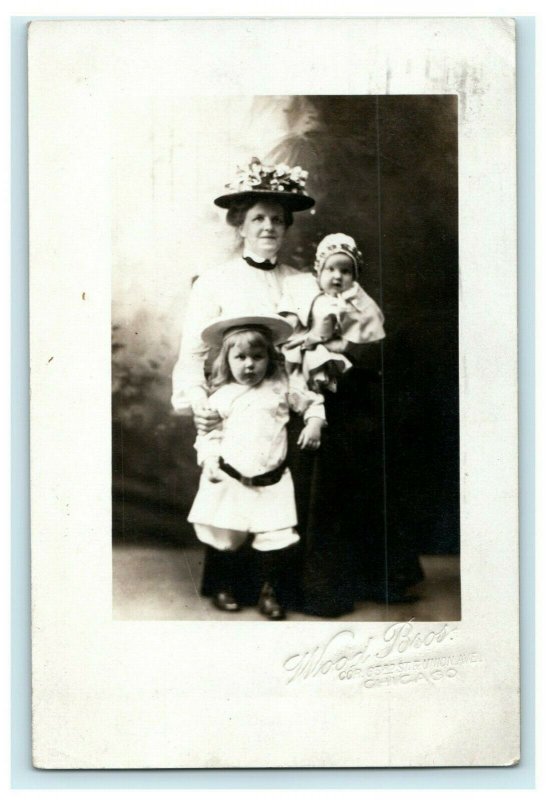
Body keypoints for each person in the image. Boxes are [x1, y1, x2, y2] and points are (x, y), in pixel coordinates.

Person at [171, 156, 317, 612]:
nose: (268, 226)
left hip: (286, 408)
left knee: (278, 501)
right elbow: (193, 354)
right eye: (258, 218)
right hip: (232, 406)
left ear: (287, 226)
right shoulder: (215, 282)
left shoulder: (303, 282)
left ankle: (288, 584)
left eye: (277, 219)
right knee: (229, 498)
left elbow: (319, 348)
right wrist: (198, 399)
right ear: (240, 225)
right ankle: (228, 580)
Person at [187, 314, 325, 619]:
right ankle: (226, 586)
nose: (249, 365)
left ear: (270, 359)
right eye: (241, 357)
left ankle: (269, 592)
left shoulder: (281, 388)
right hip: (232, 479)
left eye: (257, 357)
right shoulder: (223, 395)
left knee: (274, 539)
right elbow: (208, 433)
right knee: (228, 537)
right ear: (227, 360)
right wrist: (210, 461)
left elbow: (313, 401)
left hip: (272, 481)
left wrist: (314, 423)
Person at [278, 233, 385, 392]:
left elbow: (357, 334)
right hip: (300, 344)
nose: (337, 276)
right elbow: (292, 314)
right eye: (331, 269)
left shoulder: (353, 300)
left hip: (331, 352)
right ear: (319, 271)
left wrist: (339, 343)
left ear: (354, 277)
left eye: (345, 271)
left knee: (334, 380)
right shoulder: (304, 287)